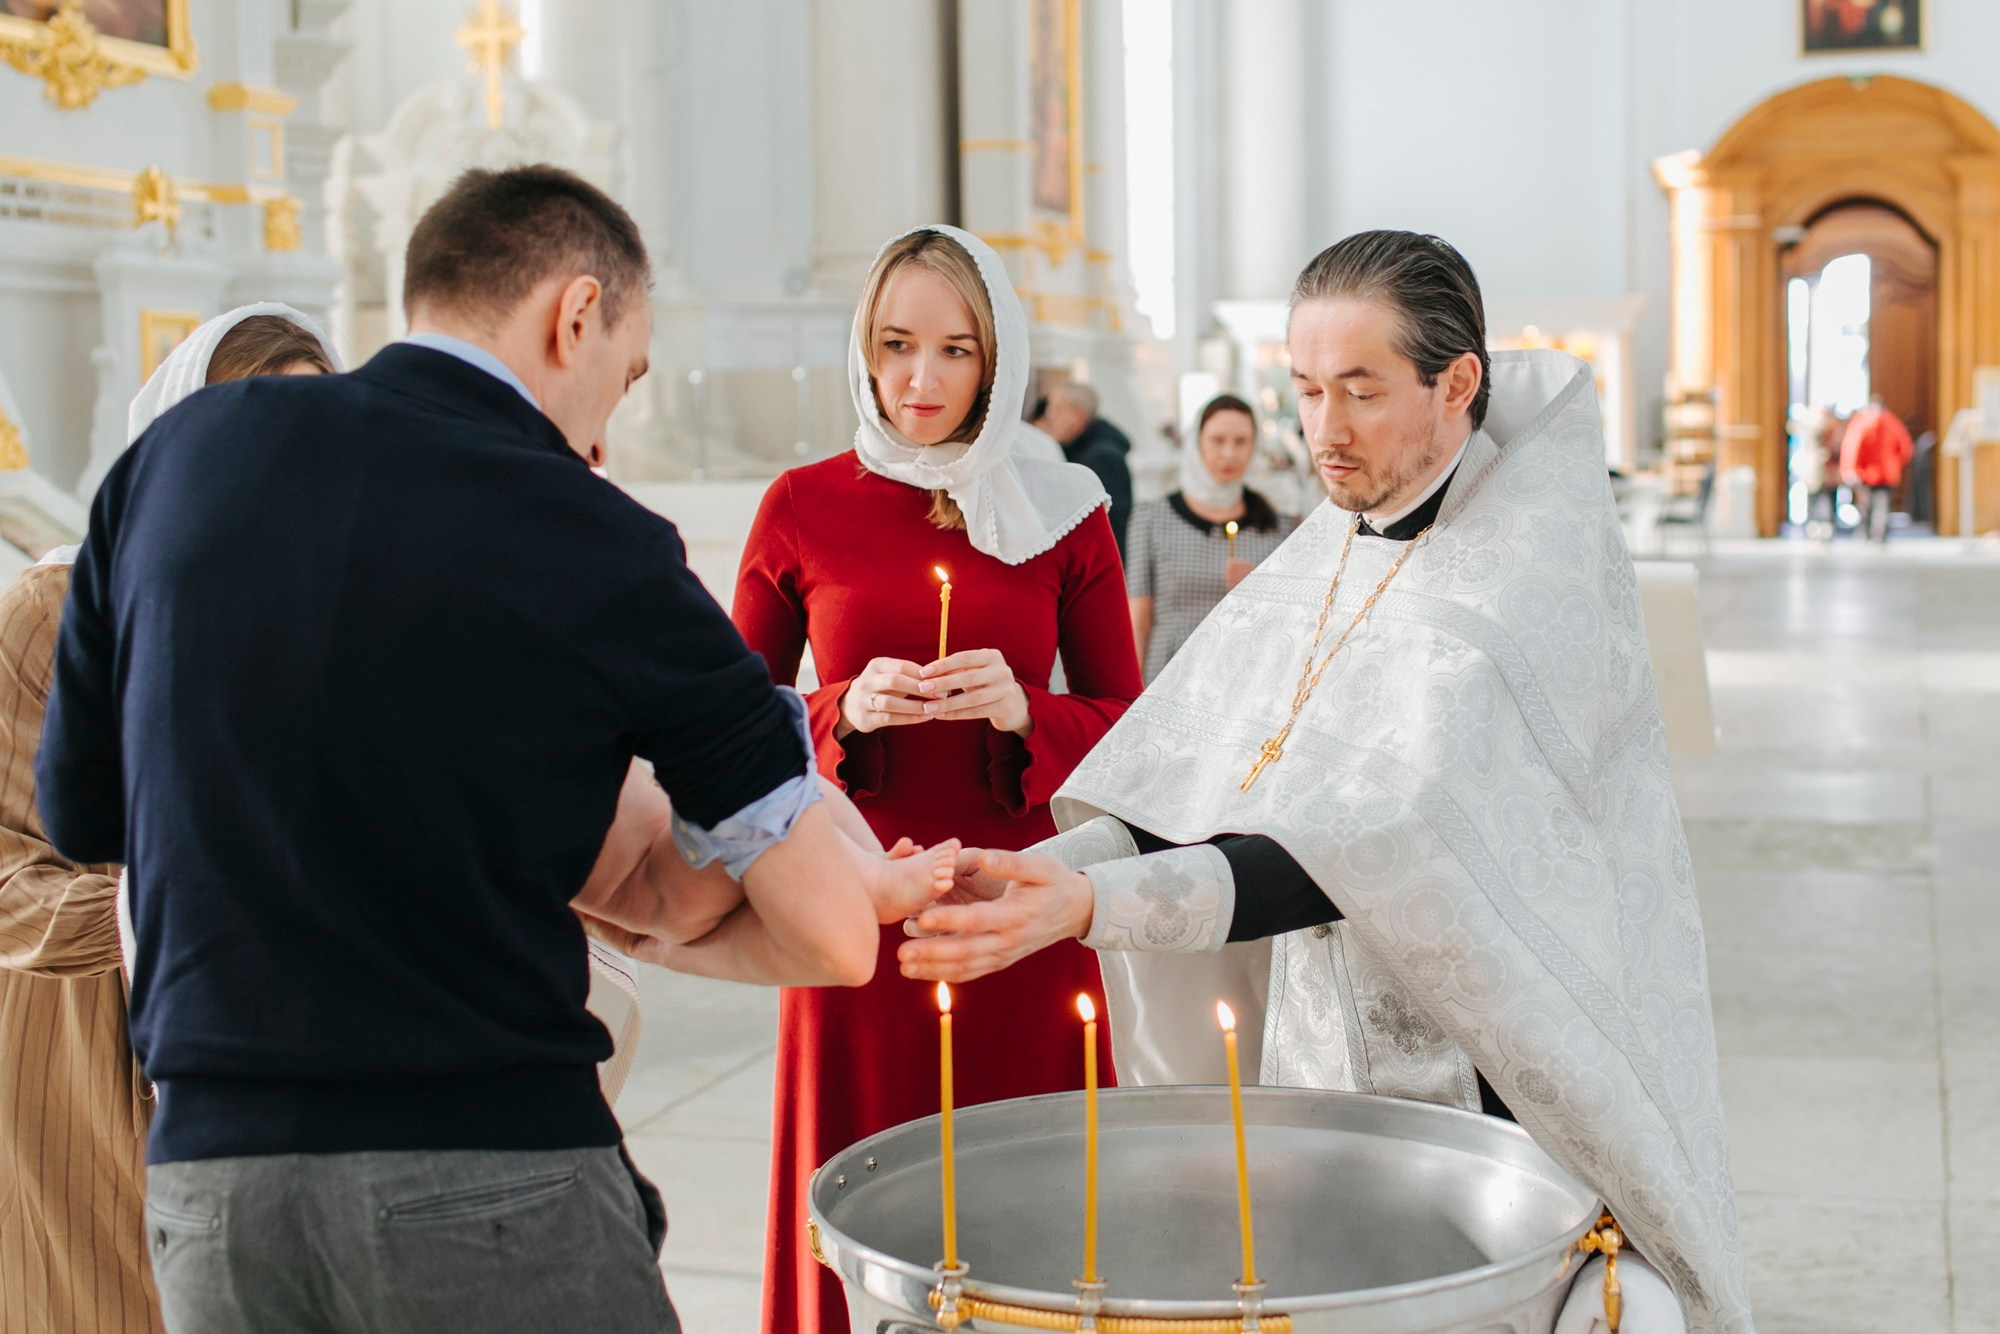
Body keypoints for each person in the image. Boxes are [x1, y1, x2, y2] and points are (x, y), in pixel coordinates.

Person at [35, 165, 949, 1334]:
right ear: (575, 314)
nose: (605, 435)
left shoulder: (173, 461)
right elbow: (828, 933)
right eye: (622, 378)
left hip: (214, 1183)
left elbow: (85, 816)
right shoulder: (594, 535)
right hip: (484, 1166)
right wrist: (670, 905)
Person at [901, 232, 1753, 1334]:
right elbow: (1198, 780)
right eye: (1304, 389)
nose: (1323, 431)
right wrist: (1039, 869)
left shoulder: (1519, 574)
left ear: (1457, 384)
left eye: (1360, 388)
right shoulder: (1327, 547)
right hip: (1323, 1047)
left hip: (1494, 1084)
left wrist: (1092, 904)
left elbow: (1368, 842)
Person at [732, 224, 1142, 1334]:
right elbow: (722, 728)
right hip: (854, 907)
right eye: (897, 344)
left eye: (956, 350)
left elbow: (1126, 723)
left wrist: (1023, 708)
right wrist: (837, 709)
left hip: (1019, 902)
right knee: (856, 1182)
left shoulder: (1064, 510)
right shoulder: (798, 506)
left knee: (1034, 1199)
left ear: (996, 355)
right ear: (863, 349)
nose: (922, 379)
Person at [0, 305, 336, 1334]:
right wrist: (163, 906)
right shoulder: (52, 615)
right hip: (75, 1075)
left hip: (269, 1067)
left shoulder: (337, 619)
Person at [1125, 393, 1295, 682]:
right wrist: (1128, 695)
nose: (1229, 453)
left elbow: (1293, 620)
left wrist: (1262, 586)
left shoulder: (1279, 526)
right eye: (1218, 440)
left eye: (1241, 442)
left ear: (1255, 447)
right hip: (1170, 672)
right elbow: (1138, 617)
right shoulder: (1152, 517)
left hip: (1247, 676)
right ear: (1197, 443)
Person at [1043, 380, 1134, 552]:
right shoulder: (1081, 451)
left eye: (1056, 408)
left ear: (1077, 414)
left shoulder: (1101, 458)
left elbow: (1108, 528)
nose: (1048, 416)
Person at [1840, 392, 1914, 543]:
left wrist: (1850, 469)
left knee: (1866, 506)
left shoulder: (1860, 423)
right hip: (1887, 472)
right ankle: (1879, 534)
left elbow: (1853, 448)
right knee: (1883, 505)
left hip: (1866, 473)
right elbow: (1905, 447)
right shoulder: (1893, 422)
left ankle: (1867, 533)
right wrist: (1897, 463)